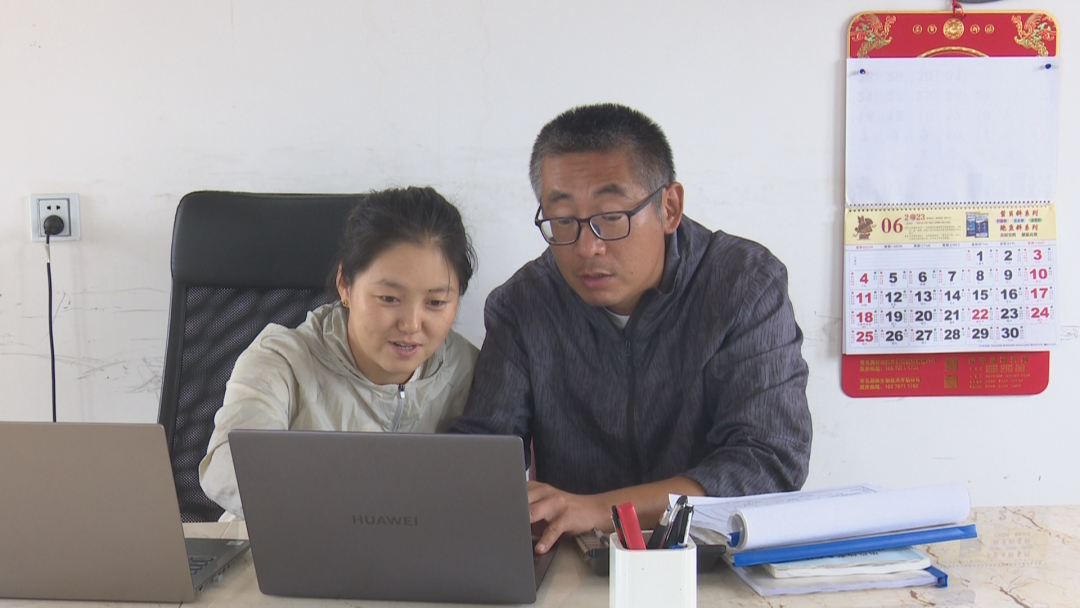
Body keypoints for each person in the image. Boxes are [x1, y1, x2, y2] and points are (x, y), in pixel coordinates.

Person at [450, 104, 812, 554]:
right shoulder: (524, 305)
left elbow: (769, 462)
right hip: (575, 563)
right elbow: (485, 459)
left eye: (611, 217)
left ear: (669, 208)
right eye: (563, 220)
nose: (588, 247)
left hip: (712, 558)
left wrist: (601, 510)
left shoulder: (743, 285)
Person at [200, 186, 480, 519]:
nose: (411, 324)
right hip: (286, 543)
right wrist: (359, 508)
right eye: (389, 299)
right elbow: (228, 466)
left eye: (436, 302)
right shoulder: (282, 360)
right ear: (345, 285)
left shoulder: (471, 371)